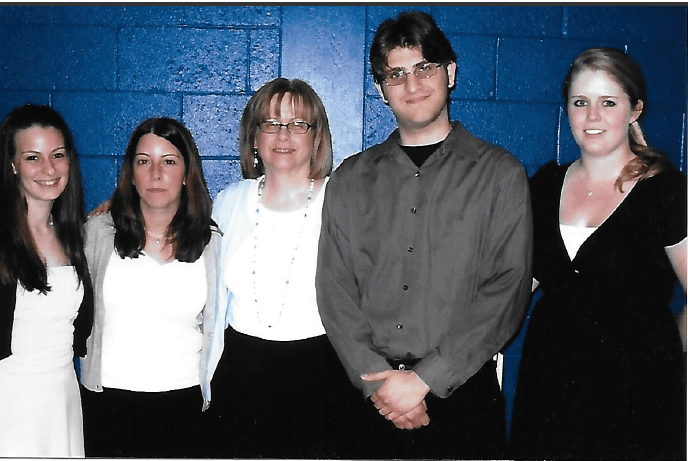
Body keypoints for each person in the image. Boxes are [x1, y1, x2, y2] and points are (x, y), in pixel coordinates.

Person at [316, 11, 533, 459]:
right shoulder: (350, 180)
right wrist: (376, 381)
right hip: (368, 400)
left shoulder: (499, 175)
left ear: (450, 72)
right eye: (396, 74)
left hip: (462, 396)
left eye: (424, 68)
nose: (412, 85)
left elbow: (508, 289)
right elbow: (334, 290)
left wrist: (424, 380)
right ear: (380, 90)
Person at [508, 48, 687, 459]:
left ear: (634, 109)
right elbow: (519, 286)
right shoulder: (545, 185)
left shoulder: (665, 192)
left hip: (637, 394)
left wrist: (660, 355)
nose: (592, 117)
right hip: (549, 386)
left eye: (608, 102)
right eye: (580, 102)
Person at [202, 77, 352, 458]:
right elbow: (173, 233)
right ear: (254, 137)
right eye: (271, 123)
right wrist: (115, 213)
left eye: (298, 124)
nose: (283, 135)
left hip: (321, 375)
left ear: (316, 137)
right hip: (239, 374)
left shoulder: (342, 200)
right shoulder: (229, 201)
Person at [79, 117, 220, 458]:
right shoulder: (97, 233)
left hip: (185, 403)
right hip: (107, 402)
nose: (156, 173)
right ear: (132, 173)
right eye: (144, 161)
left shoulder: (213, 242)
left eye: (169, 161)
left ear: (187, 173)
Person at [0, 104, 94, 458]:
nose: (49, 169)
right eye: (33, 158)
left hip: (63, 397)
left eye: (57, 155)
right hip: (9, 405)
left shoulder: (74, 237)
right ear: (12, 165)